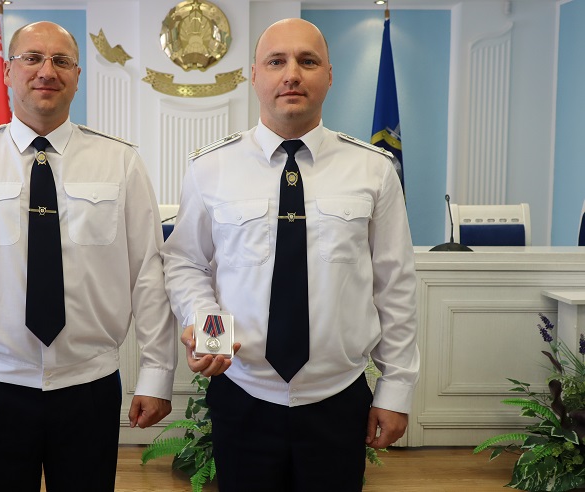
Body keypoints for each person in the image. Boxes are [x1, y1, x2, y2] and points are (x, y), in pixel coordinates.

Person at [0, 21, 176, 491]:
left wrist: (157, 374)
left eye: (61, 61)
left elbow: (148, 275)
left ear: (77, 76)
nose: (46, 71)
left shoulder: (121, 163)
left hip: (89, 382)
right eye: (32, 58)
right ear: (8, 71)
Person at [161, 18, 419, 491]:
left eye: (308, 61)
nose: (292, 74)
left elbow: (395, 284)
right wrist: (210, 335)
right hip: (242, 393)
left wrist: (396, 387)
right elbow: (186, 262)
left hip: (337, 397)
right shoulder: (211, 168)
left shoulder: (373, 170)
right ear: (254, 74)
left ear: (329, 75)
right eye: (276, 61)